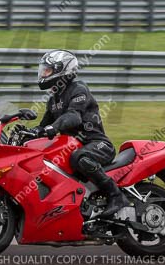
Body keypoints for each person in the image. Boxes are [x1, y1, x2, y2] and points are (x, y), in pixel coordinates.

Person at [28, 49, 130, 218]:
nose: (44, 73)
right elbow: (43, 125)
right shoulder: (54, 98)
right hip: (74, 146)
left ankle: (116, 195)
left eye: (48, 70)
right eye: (43, 69)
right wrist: (30, 133)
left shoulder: (79, 89)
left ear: (63, 70)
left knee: (79, 157)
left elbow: (73, 117)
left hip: (97, 144)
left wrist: (54, 128)